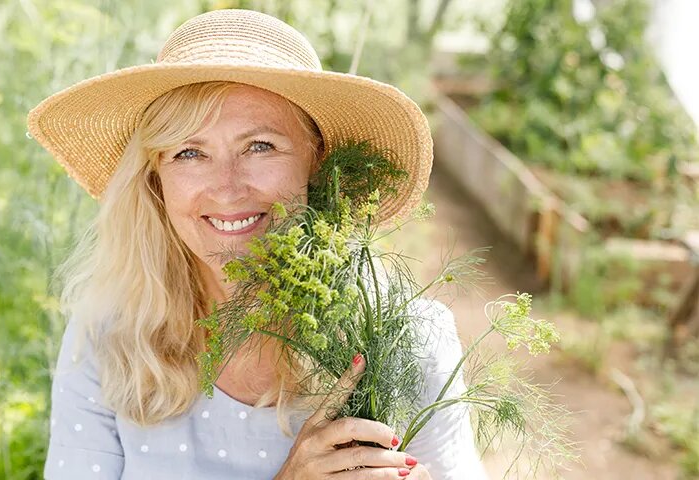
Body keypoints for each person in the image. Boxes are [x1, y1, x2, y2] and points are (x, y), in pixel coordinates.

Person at [27, 9, 488, 480]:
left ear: (317, 159)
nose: (227, 189)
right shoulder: (109, 337)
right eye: (190, 152)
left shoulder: (401, 336)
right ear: (155, 177)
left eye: (260, 146)